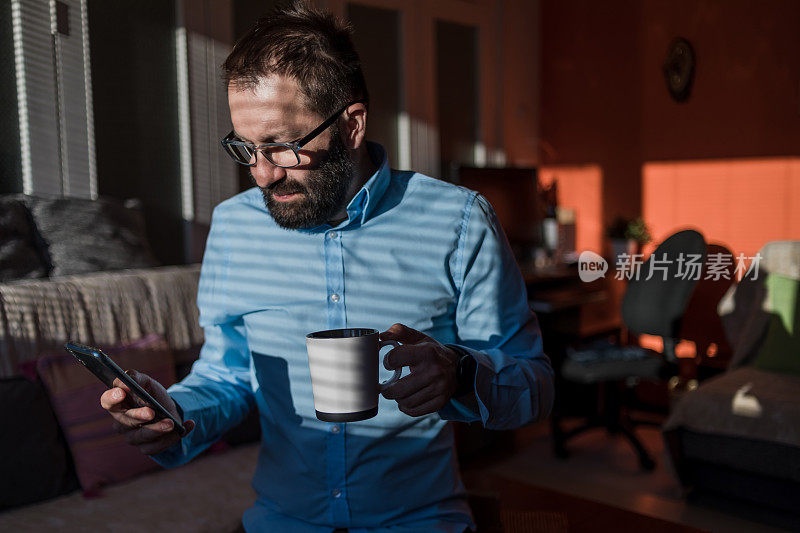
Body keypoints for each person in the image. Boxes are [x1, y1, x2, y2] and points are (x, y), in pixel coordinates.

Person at [100, 2, 554, 532]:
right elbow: (230, 374)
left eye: (282, 147)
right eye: (246, 148)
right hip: (282, 521)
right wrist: (172, 414)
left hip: (418, 521)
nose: (262, 175)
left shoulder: (458, 221)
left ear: (353, 125)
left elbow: (535, 385)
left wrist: (460, 373)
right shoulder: (234, 227)